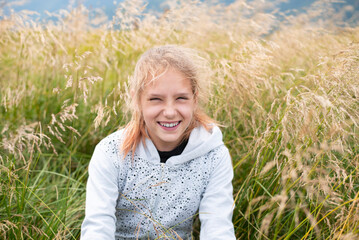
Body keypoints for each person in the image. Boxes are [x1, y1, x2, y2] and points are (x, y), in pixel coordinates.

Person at [81, 45, 236, 239]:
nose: (170, 112)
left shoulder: (213, 156)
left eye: (181, 98)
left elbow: (218, 229)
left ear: (195, 99)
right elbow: (98, 228)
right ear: (137, 100)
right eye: (156, 99)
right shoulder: (111, 152)